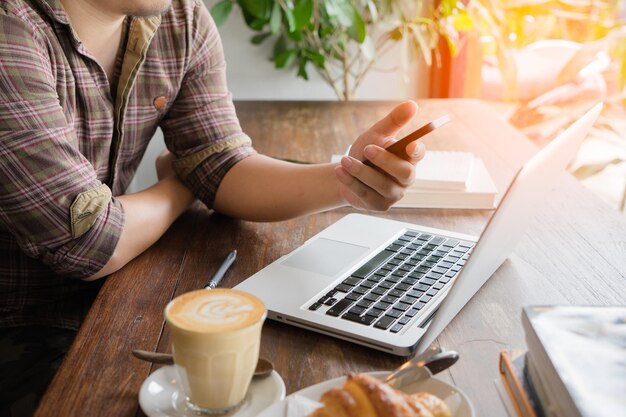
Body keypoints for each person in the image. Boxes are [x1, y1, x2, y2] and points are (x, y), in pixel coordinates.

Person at [0, 0, 426, 415]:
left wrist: (348, 180)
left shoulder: (180, 19)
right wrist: (179, 187)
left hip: (110, 304)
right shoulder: (10, 30)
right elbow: (91, 242)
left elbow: (220, 165)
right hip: (20, 327)